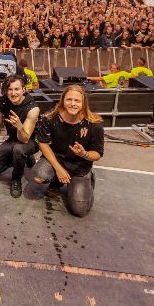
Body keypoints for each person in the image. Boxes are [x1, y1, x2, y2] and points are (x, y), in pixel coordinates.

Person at [32, 85, 104, 217]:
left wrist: (84, 154)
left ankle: (88, 180)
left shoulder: (95, 124)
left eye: (77, 101)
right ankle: (56, 182)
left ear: (83, 103)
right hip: (57, 160)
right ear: (63, 100)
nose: (72, 104)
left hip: (80, 166)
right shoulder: (50, 118)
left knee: (79, 210)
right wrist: (59, 169)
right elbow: (42, 143)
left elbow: (97, 154)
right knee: (39, 175)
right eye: (69, 99)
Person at [0, 75, 41, 198]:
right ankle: (19, 159)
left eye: (17, 89)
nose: (13, 93)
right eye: (10, 89)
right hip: (12, 139)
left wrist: (19, 126)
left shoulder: (33, 108)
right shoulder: (1, 102)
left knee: (19, 149)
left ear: (23, 90)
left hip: (30, 140)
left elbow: (24, 139)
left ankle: (16, 179)